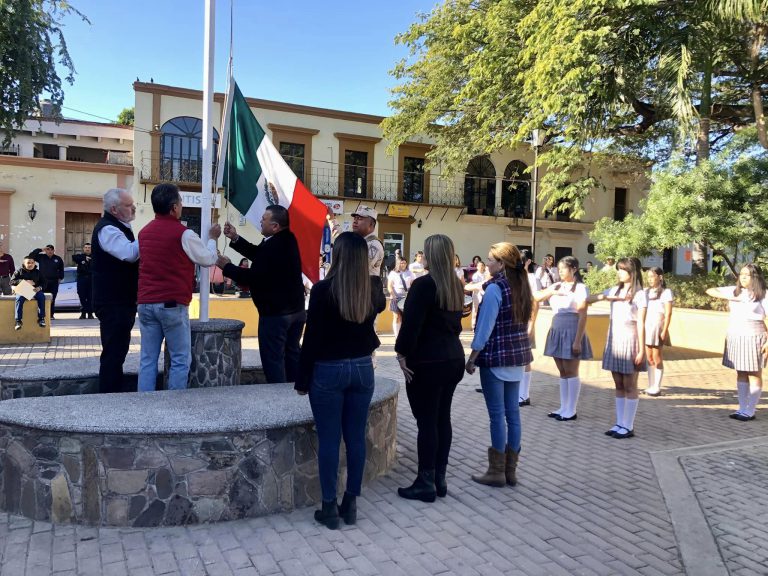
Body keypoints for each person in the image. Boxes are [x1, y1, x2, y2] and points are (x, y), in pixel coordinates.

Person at [295, 232, 386, 529]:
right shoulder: (371, 291)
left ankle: (329, 507)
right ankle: (351, 502)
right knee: (356, 437)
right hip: (362, 368)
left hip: (328, 370)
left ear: (338, 255)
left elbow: (312, 339)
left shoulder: (323, 290)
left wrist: (302, 377)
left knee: (330, 440)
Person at [395, 234, 465, 502]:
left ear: (430, 255)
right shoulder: (456, 286)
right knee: (441, 418)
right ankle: (439, 478)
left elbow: (411, 326)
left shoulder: (424, 285)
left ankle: (426, 481)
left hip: (428, 361)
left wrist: (401, 354)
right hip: (452, 359)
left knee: (426, 422)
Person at [137, 183, 220, 392]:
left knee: (147, 360)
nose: (182, 205)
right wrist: (212, 239)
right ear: (174, 207)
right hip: (172, 304)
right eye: (181, 202)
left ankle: (142, 406)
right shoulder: (183, 234)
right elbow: (208, 259)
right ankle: (174, 409)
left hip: (146, 303)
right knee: (180, 359)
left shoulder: (144, 232)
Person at [466, 243, 533, 487]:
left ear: (502, 264)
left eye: (491, 260)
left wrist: (472, 356)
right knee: (513, 415)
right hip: (517, 358)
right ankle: (510, 470)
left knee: (497, 416)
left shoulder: (496, 289)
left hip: (496, 357)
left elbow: (484, 328)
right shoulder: (523, 286)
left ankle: (496, 471)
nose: (487, 264)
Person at [220, 205, 305, 383]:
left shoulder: (275, 245)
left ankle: (278, 397)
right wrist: (235, 238)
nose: (260, 221)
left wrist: (226, 267)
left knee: (273, 359)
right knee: (292, 355)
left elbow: (253, 277)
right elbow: (259, 254)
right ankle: (295, 394)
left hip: (277, 315)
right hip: (295, 311)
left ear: (275, 226)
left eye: (264, 219)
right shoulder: (285, 239)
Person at [588, 257, 647, 439]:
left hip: (631, 339)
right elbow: (588, 299)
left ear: (632, 272)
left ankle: (628, 426)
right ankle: (619, 422)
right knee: (618, 384)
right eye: (618, 269)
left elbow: (641, 323)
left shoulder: (640, 295)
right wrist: (606, 296)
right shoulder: (614, 290)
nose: (619, 273)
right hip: (614, 339)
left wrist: (642, 349)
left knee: (630, 384)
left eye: (623, 269)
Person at [91, 188, 140, 393]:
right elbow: (129, 254)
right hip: (113, 302)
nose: (133, 208)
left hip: (120, 300)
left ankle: (112, 391)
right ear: (114, 209)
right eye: (128, 206)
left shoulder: (118, 227)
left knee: (119, 349)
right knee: (113, 351)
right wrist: (147, 236)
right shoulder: (108, 229)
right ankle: (109, 394)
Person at [706, 264, 768, 421]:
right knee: (740, 372)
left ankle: (750, 410)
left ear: (755, 277)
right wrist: (731, 294)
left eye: (747, 275)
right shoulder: (735, 291)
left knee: (754, 373)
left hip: (754, 335)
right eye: (741, 274)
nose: (743, 277)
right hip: (736, 334)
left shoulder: (763, 295)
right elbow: (711, 291)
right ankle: (741, 407)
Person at [534, 256, 592, 421]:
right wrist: (552, 291)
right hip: (557, 328)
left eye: (563, 269)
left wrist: (577, 340)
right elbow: (537, 297)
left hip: (572, 329)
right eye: (558, 269)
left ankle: (571, 409)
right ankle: (563, 406)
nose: (560, 272)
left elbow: (582, 315)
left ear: (573, 268)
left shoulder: (581, 288)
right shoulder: (557, 285)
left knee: (571, 370)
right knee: (562, 371)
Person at [644, 267, 673, 396]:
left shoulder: (666, 292)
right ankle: (650, 385)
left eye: (652, 276)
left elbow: (668, 313)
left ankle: (657, 386)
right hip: (647, 325)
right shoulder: (645, 292)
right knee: (649, 357)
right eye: (648, 276)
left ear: (660, 277)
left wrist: (664, 330)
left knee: (657, 357)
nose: (650, 279)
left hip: (657, 326)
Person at [518, 249, 541, 405]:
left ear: (528, 261)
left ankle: (524, 394)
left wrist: (531, 325)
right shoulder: (516, 278)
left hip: (526, 322)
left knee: (525, 359)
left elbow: (535, 303)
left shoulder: (532, 279)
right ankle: (518, 392)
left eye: (521, 260)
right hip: (515, 322)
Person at [351, 206, 385, 292]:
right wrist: (332, 220)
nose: (355, 221)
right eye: (355, 218)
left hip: (367, 293)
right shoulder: (359, 241)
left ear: (371, 225)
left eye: (360, 218)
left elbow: (359, 268)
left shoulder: (374, 244)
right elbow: (341, 238)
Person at [10, 255, 46, 330]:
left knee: (42, 297)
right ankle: (18, 321)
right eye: (28, 263)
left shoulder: (38, 272)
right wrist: (24, 281)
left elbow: (44, 283)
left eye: (32, 263)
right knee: (19, 298)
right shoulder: (18, 271)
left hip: (34, 290)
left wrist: (39, 288)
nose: (30, 264)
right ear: (24, 263)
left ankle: (41, 319)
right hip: (23, 290)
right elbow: (11, 282)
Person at [31, 244, 64, 320]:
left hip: (54, 282)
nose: (50, 251)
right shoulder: (41, 257)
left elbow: (61, 270)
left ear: (53, 250)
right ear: (45, 250)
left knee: (52, 298)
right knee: (42, 298)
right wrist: (41, 249)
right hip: (43, 282)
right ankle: (42, 315)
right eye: (48, 249)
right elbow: (31, 256)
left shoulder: (58, 259)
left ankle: (51, 315)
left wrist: (60, 278)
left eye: (51, 250)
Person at [387, 258, 413, 336]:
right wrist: (393, 295)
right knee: (397, 316)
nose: (403, 264)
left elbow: (413, 285)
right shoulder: (393, 273)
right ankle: (397, 335)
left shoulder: (410, 273)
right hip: (396, 297)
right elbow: (389, 286)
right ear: (398, 264)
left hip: (407, 297)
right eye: (401, 263)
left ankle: (404, 335)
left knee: (406, 317)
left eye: (405, 263)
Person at [467, 260, 491, 330]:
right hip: (477, 294)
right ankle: (473, 325)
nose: (481, 267)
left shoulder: (486, 274)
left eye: (482, 265)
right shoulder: (475, 275)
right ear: (477, 267)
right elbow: (475, 285)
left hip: (485, 294)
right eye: (480, 266)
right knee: (475, 310)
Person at [72, 243, 93, 319]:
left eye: (89, 248)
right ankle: (83, 312)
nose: (87, 249)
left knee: (90, 296)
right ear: (83, 249)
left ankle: (90, 313)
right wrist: (84, 259)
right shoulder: (80, 257)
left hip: (91, 279)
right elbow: (74, 257)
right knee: (82, 296)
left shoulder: (95, 257)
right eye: (86, 247)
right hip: (82, 278)